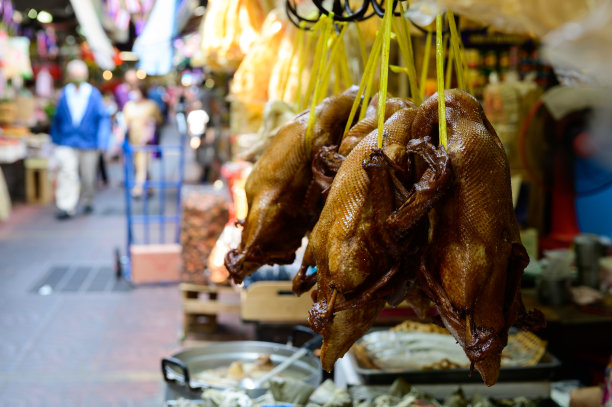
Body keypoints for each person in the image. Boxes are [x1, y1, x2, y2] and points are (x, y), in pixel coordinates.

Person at [50, 60, 111, 219]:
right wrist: (55, 139)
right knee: (67, 173)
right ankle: (66, 206)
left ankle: (87, 200)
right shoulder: (63, 93)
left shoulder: (93, 94)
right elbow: (57, 118)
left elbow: (103, 118)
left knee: (88, 175)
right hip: (67, 140)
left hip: (88, 142)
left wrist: (103, 141)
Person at [122, 85, 162, 198]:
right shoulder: (129, 106)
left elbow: (159, 119)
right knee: (138, 165)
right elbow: (125, 122)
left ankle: (138, 189)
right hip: (133, 140)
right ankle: (149, 186)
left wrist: (150, 121)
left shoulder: (151, 105)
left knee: (142, 164)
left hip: (146, 141)